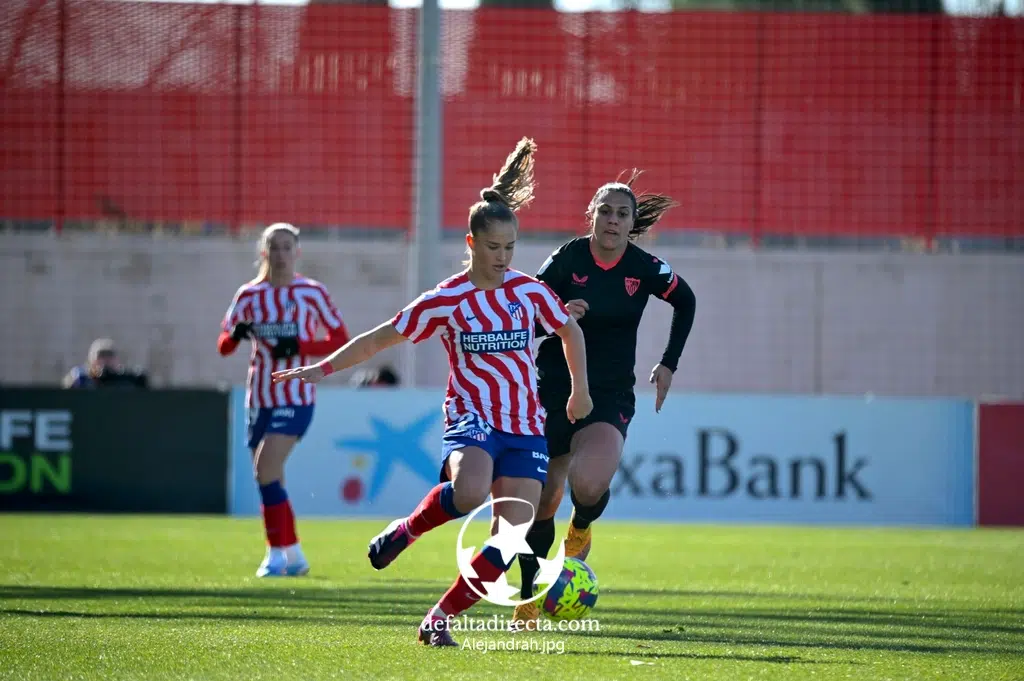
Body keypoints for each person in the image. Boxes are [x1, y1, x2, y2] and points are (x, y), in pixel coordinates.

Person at [270, 138, 592, 647]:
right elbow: (381, 336)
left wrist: (579, 393)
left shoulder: (529, 291)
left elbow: (569, 331)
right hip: (472, 417)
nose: (503, 257)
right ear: (471, 244)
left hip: (526, 425)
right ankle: (407, 530)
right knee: (467, 494)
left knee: (509, 540)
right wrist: (324, 367)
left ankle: (438, 619)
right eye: (493, 248)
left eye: (509, 248)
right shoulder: (447, 299)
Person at [511, 169, 697, 627]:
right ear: (591, 215)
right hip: (552, 391)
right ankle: (529, 596)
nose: (612, 220)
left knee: (588, 485)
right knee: (544, 498)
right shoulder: (565, 259)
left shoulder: (645, 267)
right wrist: (554, 317)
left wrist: (668, 362)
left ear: (632, 223)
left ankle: (581, 528)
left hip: (608, 395)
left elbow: (686, 301)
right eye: (605, 211)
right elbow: (525, 320)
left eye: (622, 214)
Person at [218, 222, 350, 578]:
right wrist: (236, 335)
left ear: (297, 252)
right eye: (273, 247)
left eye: (286, 247)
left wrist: (302, 347)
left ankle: (275, 553)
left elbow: (340, 338)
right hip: (258, 396)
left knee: (265, 469)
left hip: (296, 394)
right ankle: (294, 554)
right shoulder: (248, 295)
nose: (280, 254)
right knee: (269, 477)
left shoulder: (311, 292)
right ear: (264, 252)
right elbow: (224, 346)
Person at [62, 338, 149, 389]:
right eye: (101, 355)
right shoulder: (82, 379)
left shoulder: (126, 381)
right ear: (91, 360)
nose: (106, 360)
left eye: (110, 355)